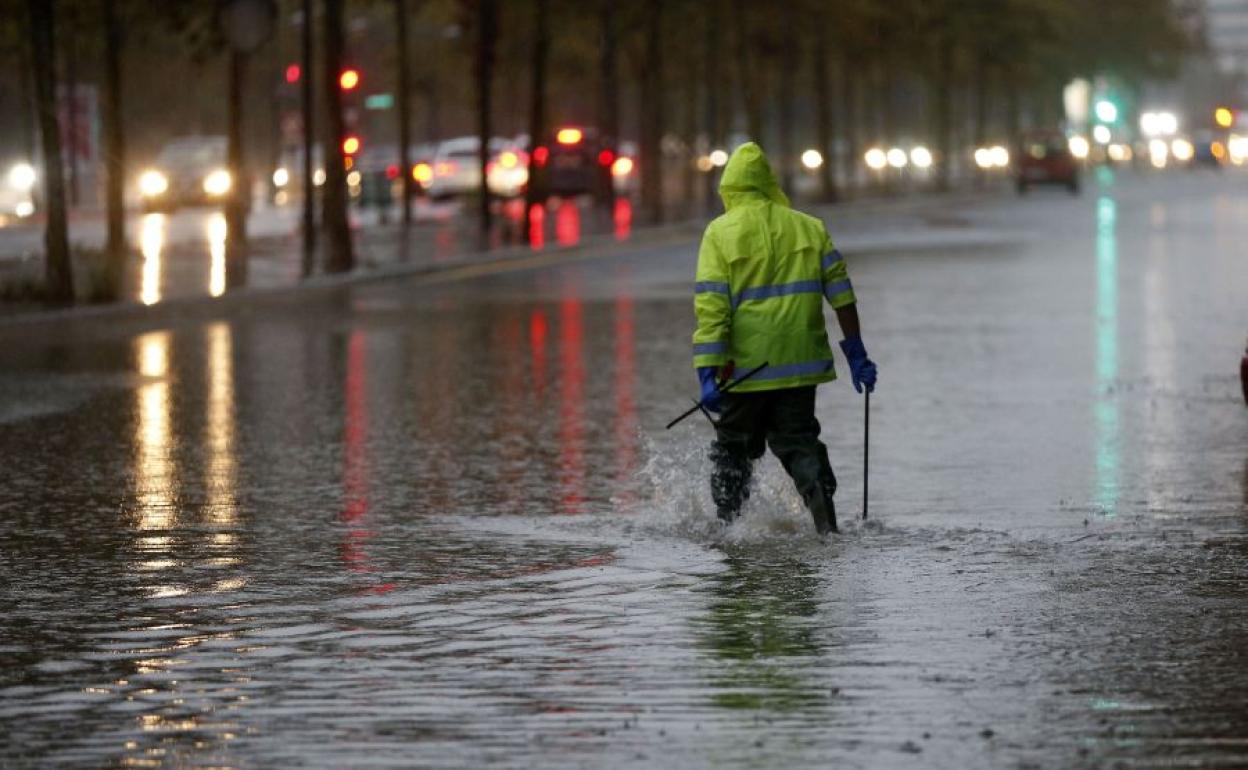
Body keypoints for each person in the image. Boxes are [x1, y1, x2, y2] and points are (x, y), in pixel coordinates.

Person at [692, 142, 877, 535]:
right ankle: (827, 525)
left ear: (730, 188)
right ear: (769, 183)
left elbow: (713, 310)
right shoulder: (810, 227)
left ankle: (729, 532)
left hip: (742, 371)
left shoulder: (719, 234)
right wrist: (856, 352)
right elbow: (841, 293)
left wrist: (707, 373)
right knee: (801, 444)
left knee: (732, 450)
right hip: (799, 367)